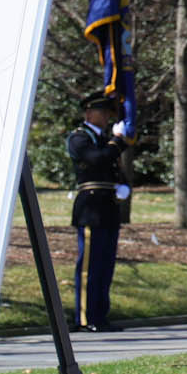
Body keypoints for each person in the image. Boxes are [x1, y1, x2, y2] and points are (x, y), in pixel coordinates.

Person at [67, 91, 132, 332]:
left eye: (108, 113)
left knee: (105, 265)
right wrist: (117, 141)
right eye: (102, 112)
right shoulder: (79, 138)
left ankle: (100, 315)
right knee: (89, 267)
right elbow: (97, 160)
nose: (106, 117)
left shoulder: (105, 139)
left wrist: (123, 184)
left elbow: (112, 166)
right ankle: (85, 318)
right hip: (91, 209)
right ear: (89, 113)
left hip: (107, 207)